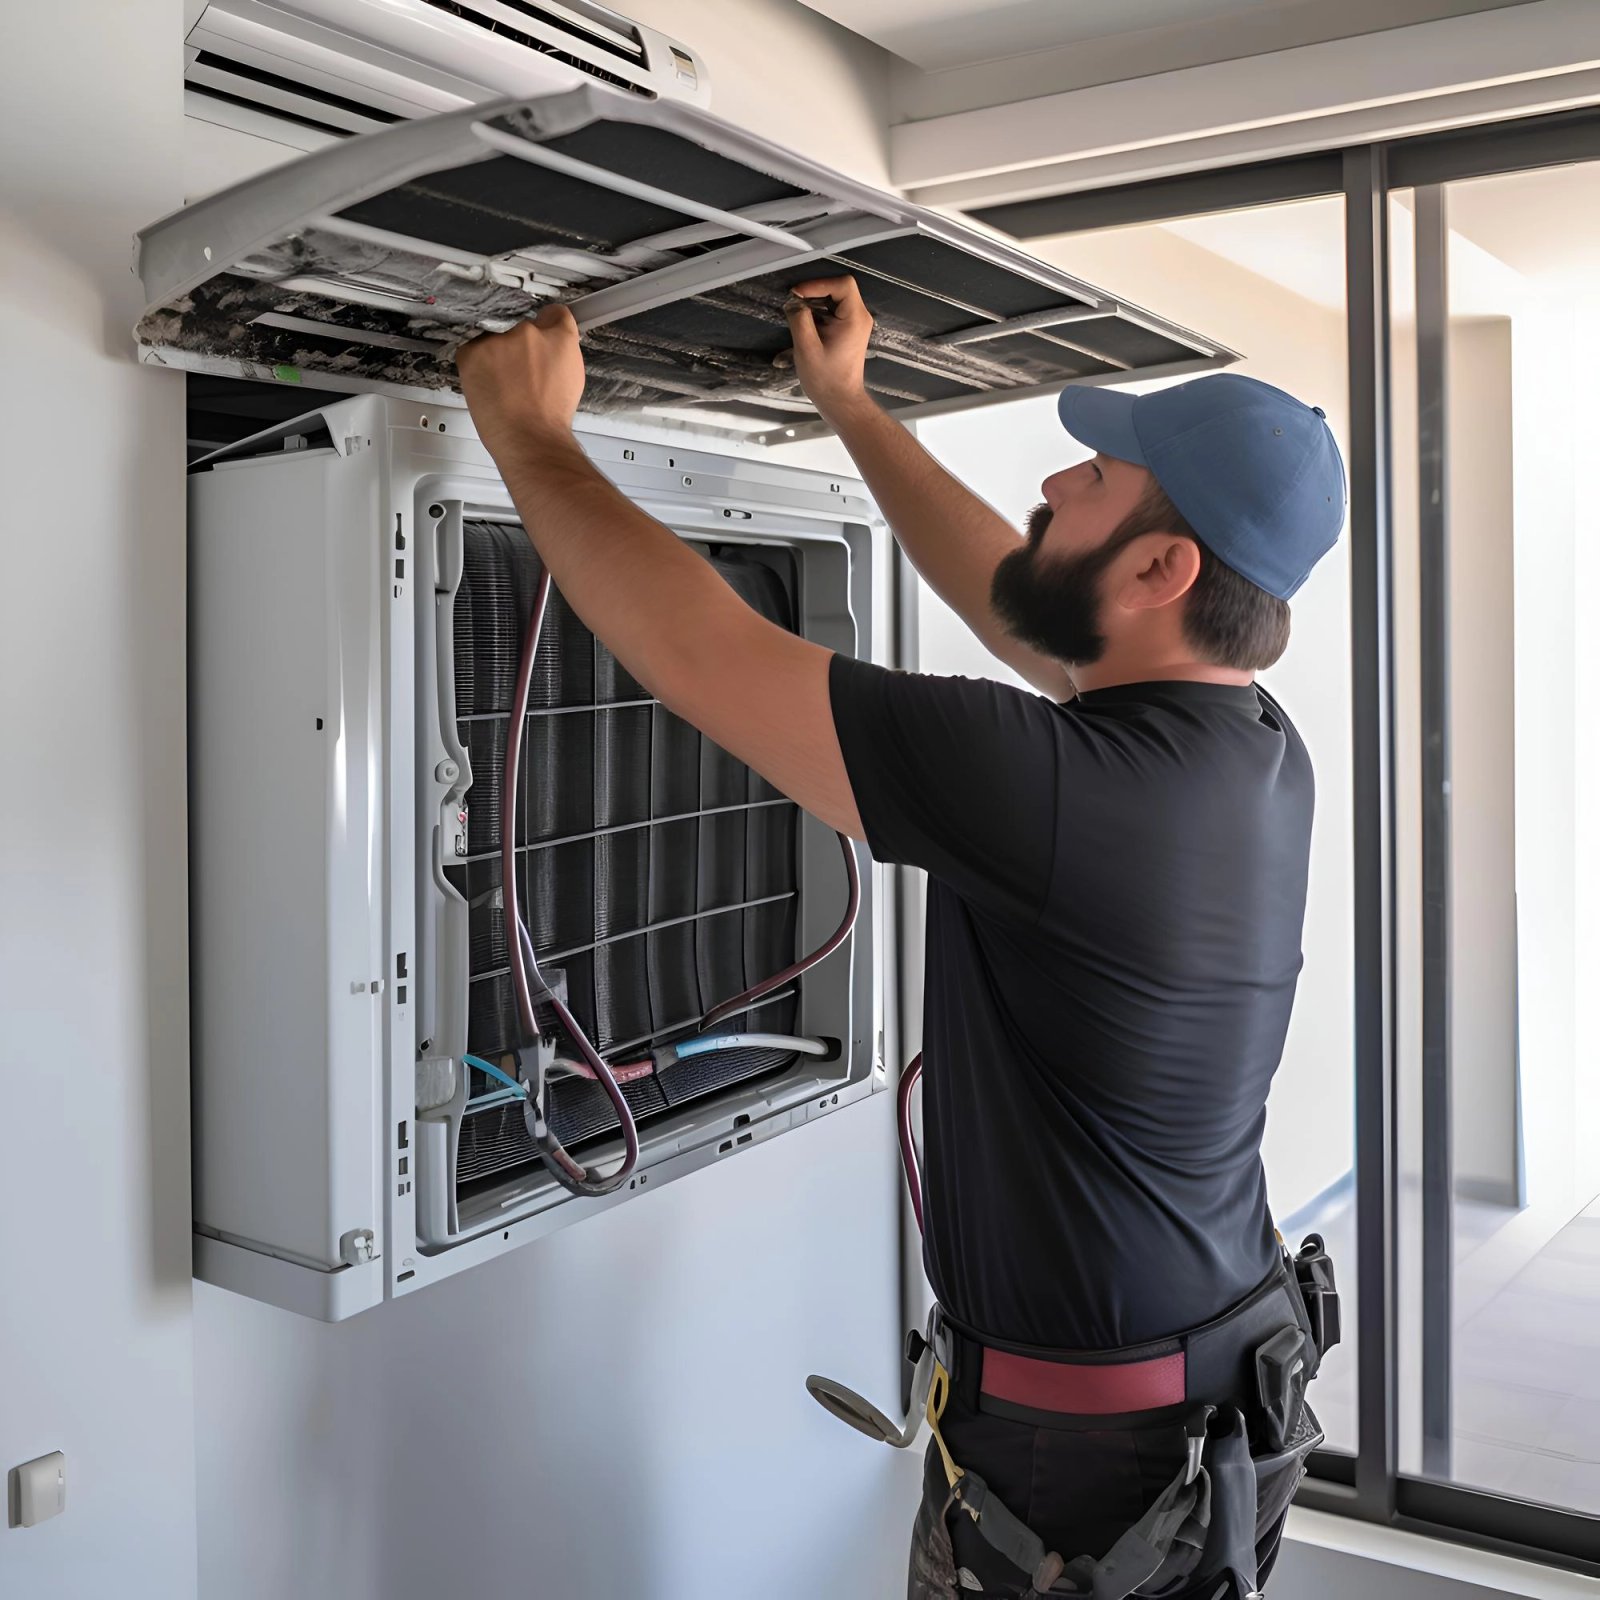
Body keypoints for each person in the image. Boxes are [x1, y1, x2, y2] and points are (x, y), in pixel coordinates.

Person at [456, 272, 1346, 1598]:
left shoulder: (1064, 790)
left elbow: (707, 654)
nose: (1053, 486)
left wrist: (529, 437)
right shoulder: (1248, 751)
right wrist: (850, 409)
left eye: (1093, 480)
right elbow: (1015, 596)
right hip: (1183, 1405)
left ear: (1164, 571)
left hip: (1084, 1472)